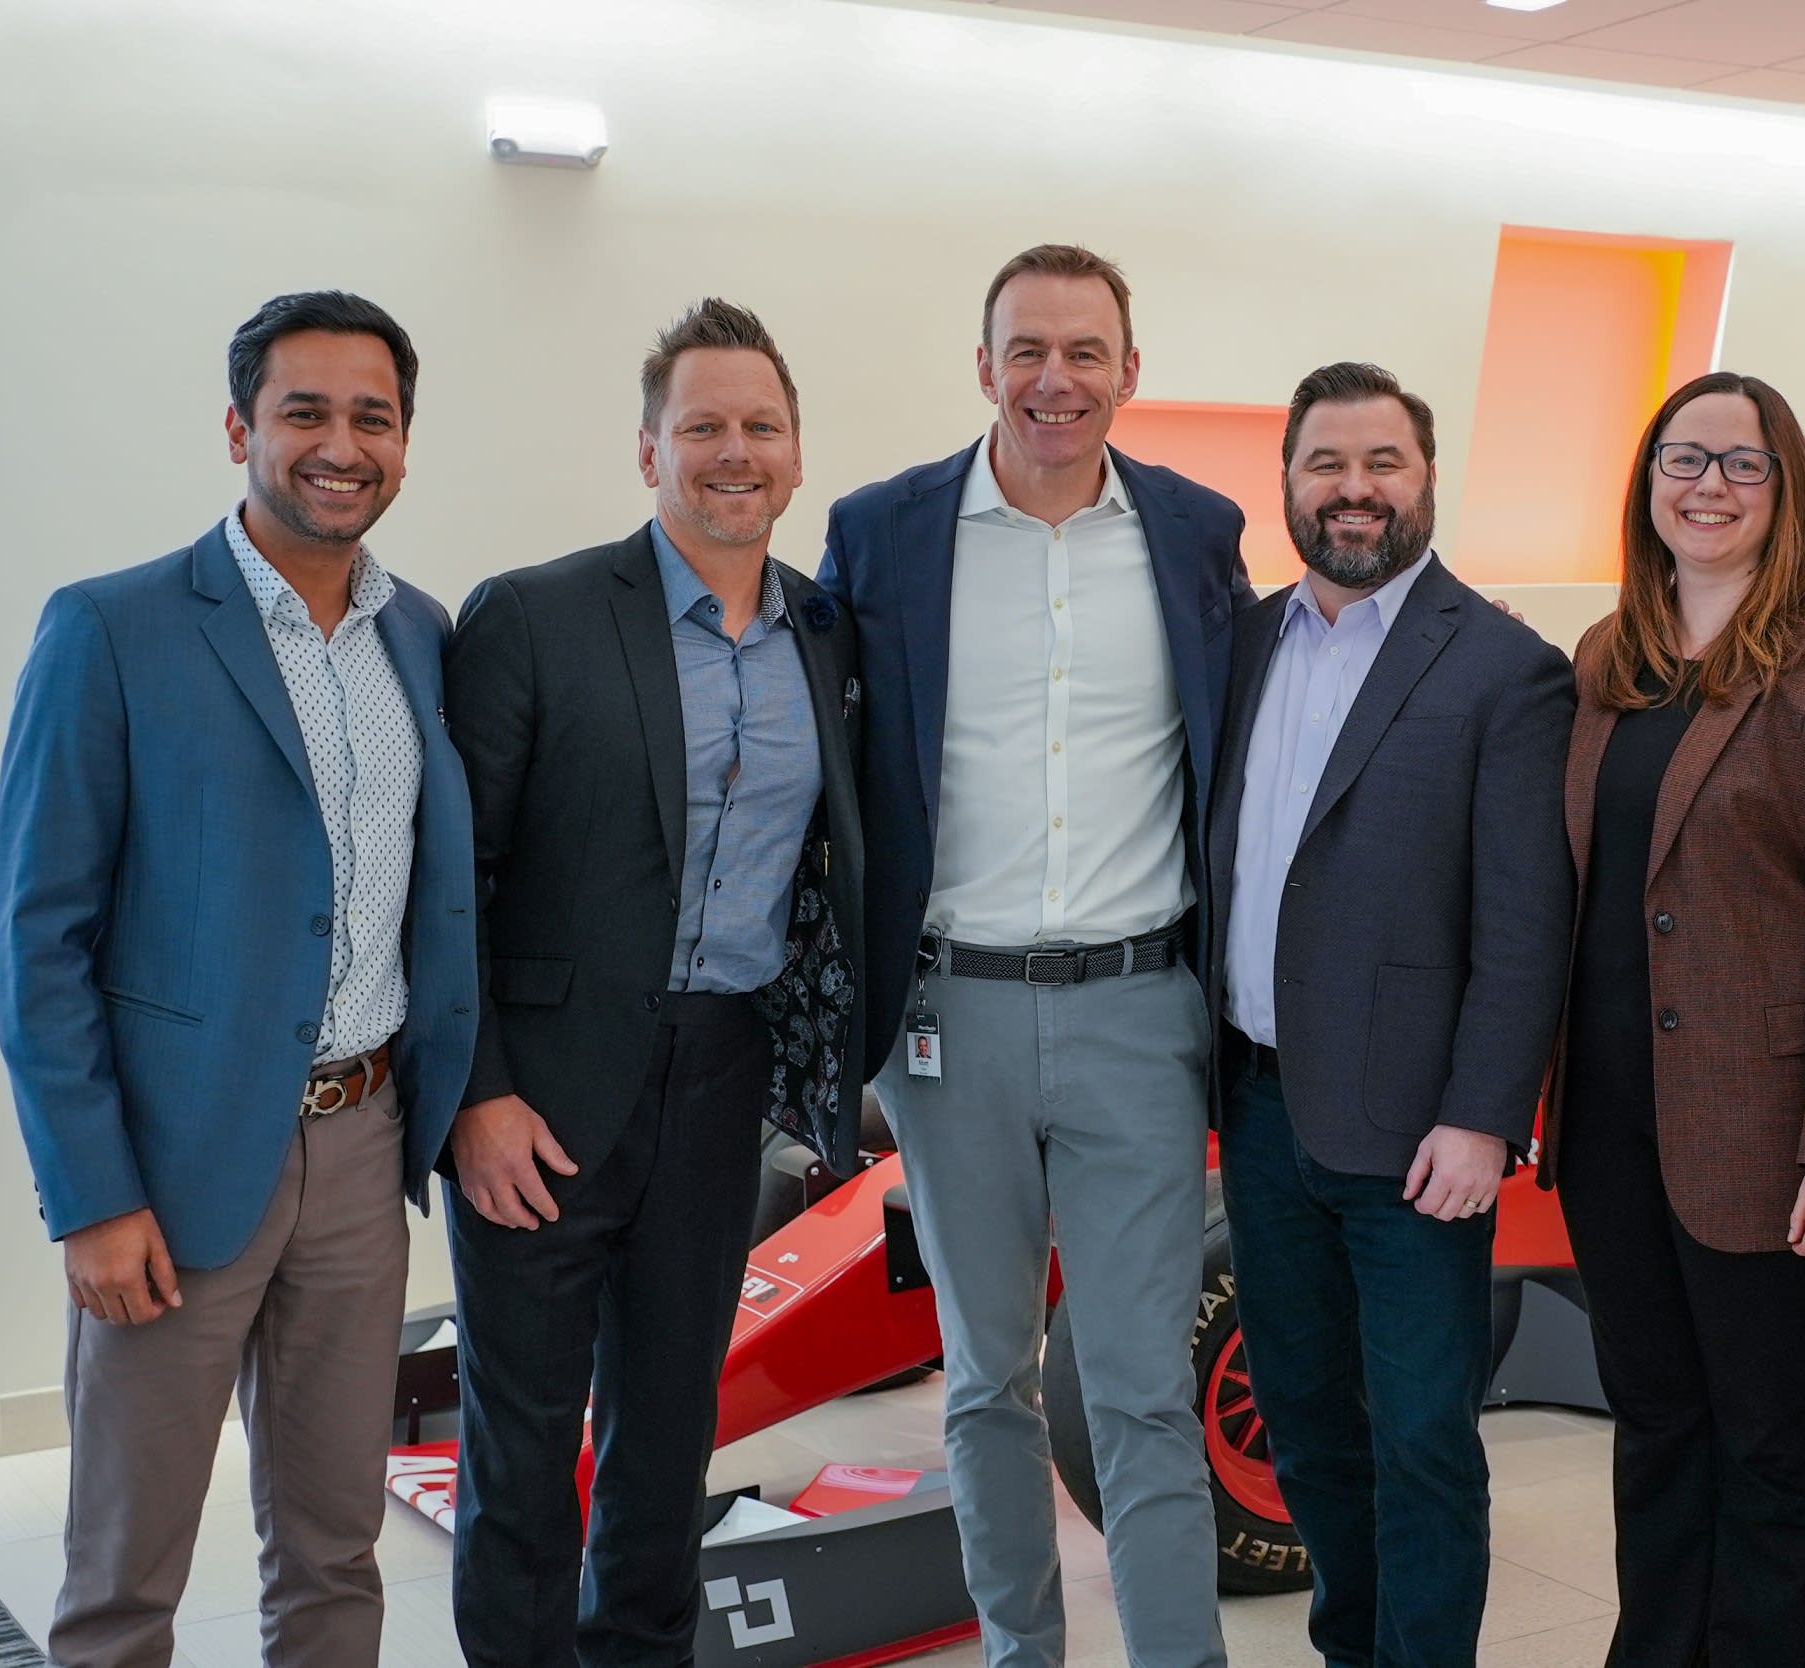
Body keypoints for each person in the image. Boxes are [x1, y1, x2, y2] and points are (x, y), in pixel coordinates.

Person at [0, 291, 476, 1668]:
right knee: (126, 1573)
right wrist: (92, 1196)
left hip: (364, 1148)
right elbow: (40, 937)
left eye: (371, 417)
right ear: (238, 429)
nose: (340, 444)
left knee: (333, 1550)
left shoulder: (421, 634)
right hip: (175, 1167)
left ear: (403, 440)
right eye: (304, 412)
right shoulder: (113, 629)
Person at [818, 245, 1253, 1668]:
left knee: (1135, 1388)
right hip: (952, 1017)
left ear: (1131, 370)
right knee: (985, 1377)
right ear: (984, 363)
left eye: (1084, 353)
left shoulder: (1198, 532)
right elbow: (833, 764)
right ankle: (1022, 1648)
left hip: (1141, 1012)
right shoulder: (884, 531)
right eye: (1026, 350)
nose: (1054, 381)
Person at [441, 297, 866, 1668]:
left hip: (721, 1070)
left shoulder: (830, 635)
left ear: (797, 454)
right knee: (521, 1448)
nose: (732, 452)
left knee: (670, 1430)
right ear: (648, 451)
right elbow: (456, 883)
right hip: (542, 1099)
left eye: (760, 427)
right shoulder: (536, 614)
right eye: (702, 427)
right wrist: (478, 1097)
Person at [1542, 370, 1805, 1667]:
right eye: (1683, 460)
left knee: (1776, 1452)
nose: (1708, 486)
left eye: (1742, 464)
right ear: (1648, 484)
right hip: (1611, 1131)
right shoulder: (1611, 664)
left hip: (1770, 1140)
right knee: (1656, 1428)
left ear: (1786, 492)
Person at [1206, 362, 1573, 1667]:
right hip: (1255, 1111)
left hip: (1420, 1138)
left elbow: (1528, 925)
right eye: (1326, 465)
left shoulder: (1506, 669)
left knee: (1420, 1440)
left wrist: (1484, 1120)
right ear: (1289, 481)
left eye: (1382, 464)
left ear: (1426, 479)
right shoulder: (1241, 644)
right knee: (1307, 1424)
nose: (1353, 491)